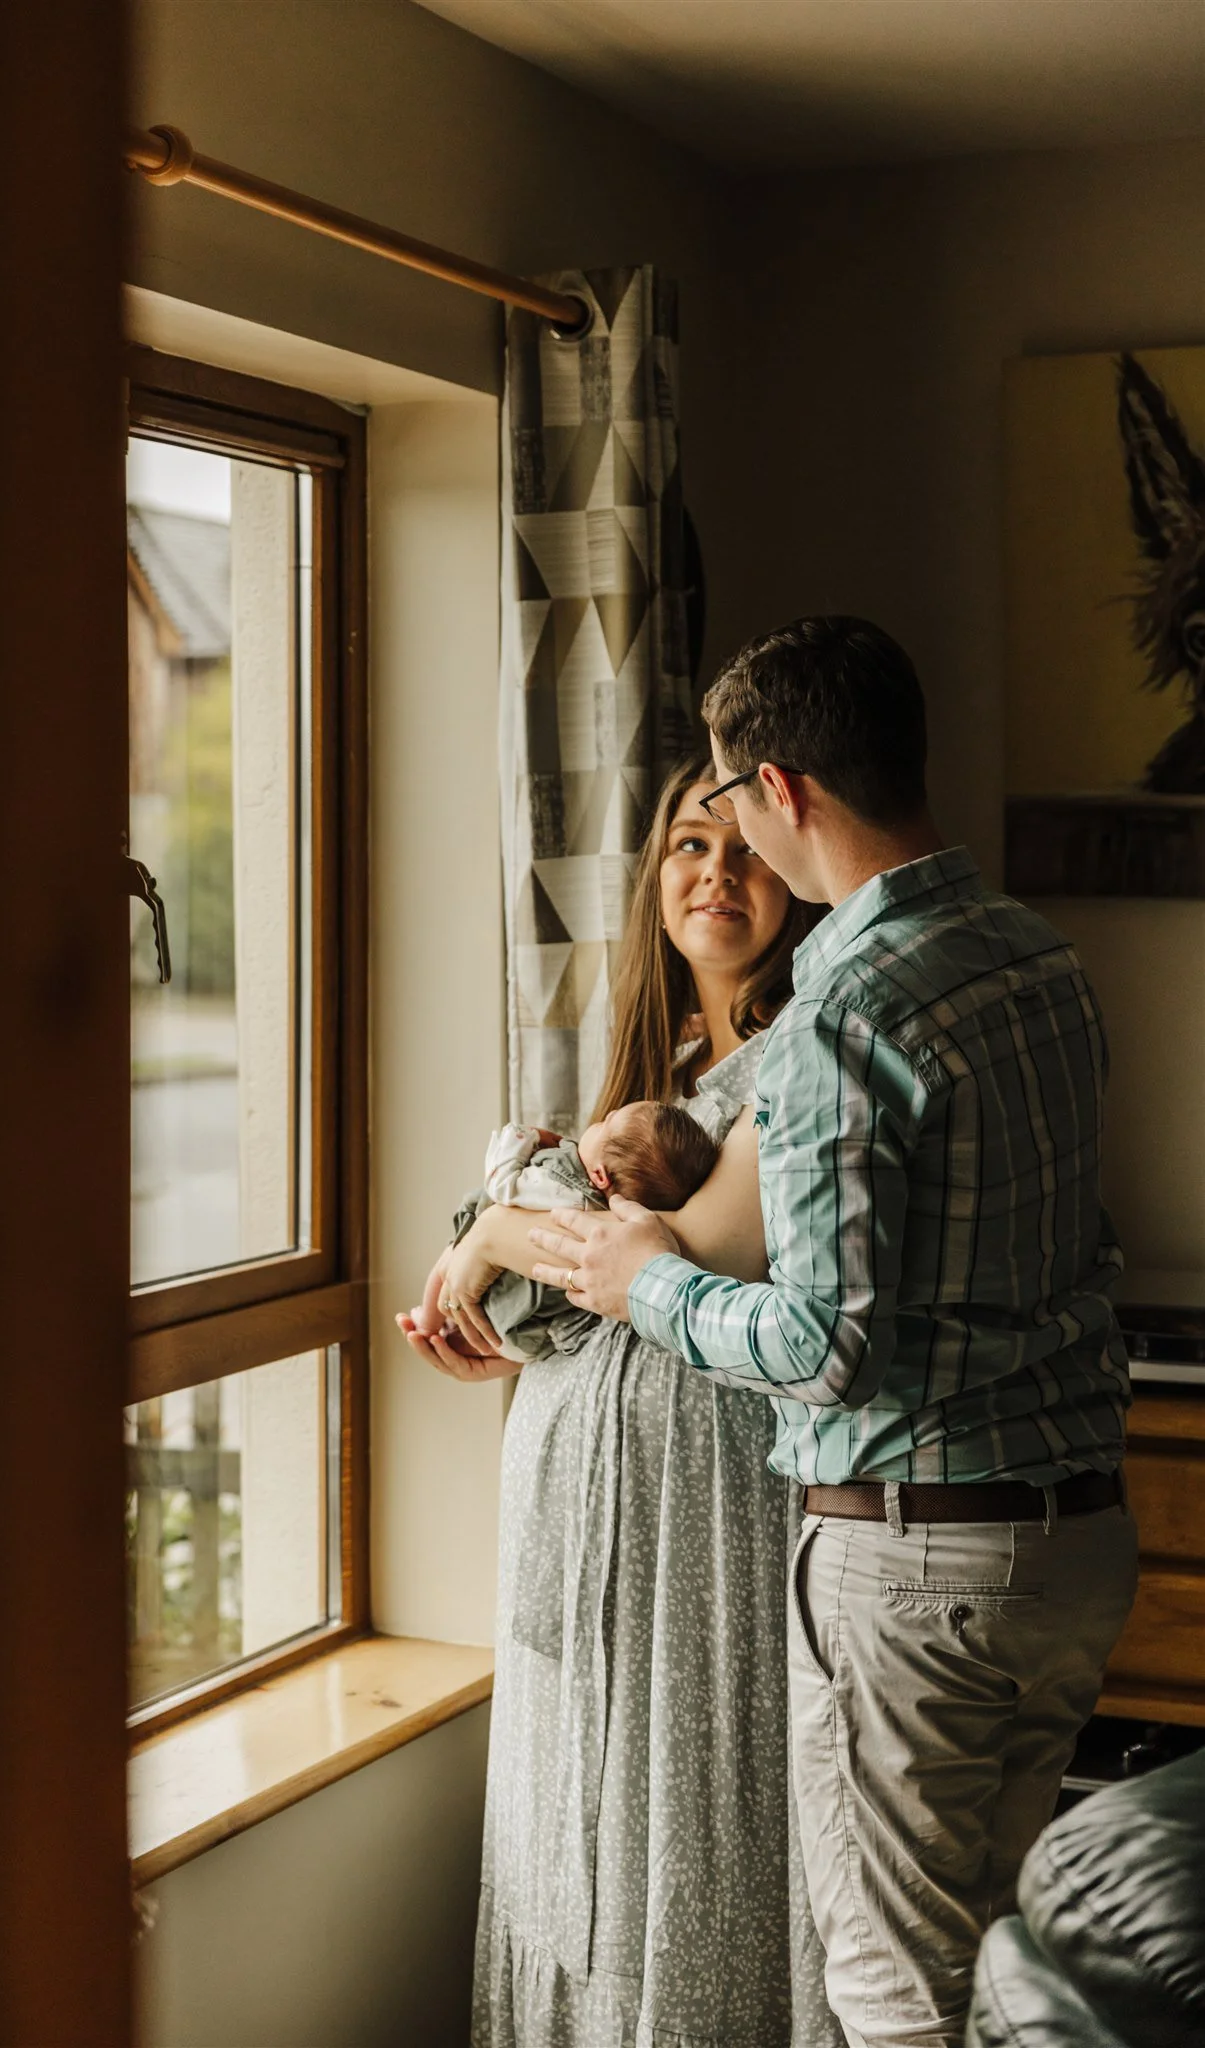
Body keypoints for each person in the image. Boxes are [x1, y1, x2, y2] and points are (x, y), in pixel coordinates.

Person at [533, 619, 1139, 2048]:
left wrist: (641, 1282)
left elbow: (824, 1346)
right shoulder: (1038, 959)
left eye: (734, 802)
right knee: (1005, 1969)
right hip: (1073, 1541)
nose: (735, 835)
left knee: (892, 1998)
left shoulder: (846, 1015)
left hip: (918, 1555)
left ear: (784, 790)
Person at [398, 757, 838, 2048]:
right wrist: (484, 1258)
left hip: (707, 1510)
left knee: (693, 1804)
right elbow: (582, 1257)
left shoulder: (804, 1047)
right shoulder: (662, 1057)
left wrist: (487, 1232)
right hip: (582, 1490)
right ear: (653, 878)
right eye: (688, 849)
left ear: (793, 869)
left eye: (745, 849)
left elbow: (676, 1253)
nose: (716, 876)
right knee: (573, 1811)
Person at [411, 1103, 720, 1364]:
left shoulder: (563, 1189)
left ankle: (426, 1320)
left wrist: (522, 1137)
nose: (603, 1116)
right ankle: (444, 1331)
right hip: (527, 1327)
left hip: (503, 1300)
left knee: (448, 1260)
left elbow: (502, 1185)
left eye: (605, 1123)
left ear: (599, 1175)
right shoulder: (611, 1224)